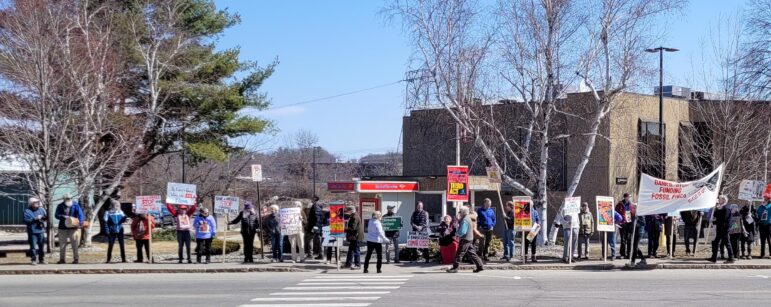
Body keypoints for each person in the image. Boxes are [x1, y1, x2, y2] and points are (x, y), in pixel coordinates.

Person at [447, 206, 484, 273]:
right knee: (472, 253)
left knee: (459, 253)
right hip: (469, 238)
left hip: (465, 238)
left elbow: (462, 231)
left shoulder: (464, 220)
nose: (459, 213)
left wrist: (456, 234)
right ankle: (480, 266)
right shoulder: (467, 218)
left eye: (460, 212)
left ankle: (455, 268)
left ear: (463, 212)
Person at [54, 193, 84, 264]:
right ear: (64, 199)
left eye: (69, 198)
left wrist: (80, 223)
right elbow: (56, 215)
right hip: (62, 227)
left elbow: (80, 214)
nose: (68, 200)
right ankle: (62, 259)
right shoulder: (60, 206)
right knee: (62, 244)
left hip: (73, 227)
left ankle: (76, 259)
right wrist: (62, 216)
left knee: (74, 244)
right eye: (67, 199)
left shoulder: (76, 205)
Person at [708, 195, 734, 263]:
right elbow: (715, 215)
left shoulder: (726, 209)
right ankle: (714, 258)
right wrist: (715, 208)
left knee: (727, 243)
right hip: (720, 229)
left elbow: (723, 219)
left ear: (723, 200)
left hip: (724, 229)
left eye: (719, 199)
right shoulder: (721, 208)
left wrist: (715, 220)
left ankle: (731, 258)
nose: (718, 200)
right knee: (716, 243)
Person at [23, 197, 47, 265]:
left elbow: (45, 217)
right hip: (32, 231)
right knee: (33, 246)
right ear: (31, 204)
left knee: (41, 246)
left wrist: (43, 218)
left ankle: (41, 259)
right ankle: (33, 260)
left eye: (37, 202)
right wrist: (35, 218)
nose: (37, 203)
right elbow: (26, 220)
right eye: (35, 202)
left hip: (41, 230)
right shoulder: (27, 211)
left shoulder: (41, 209)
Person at [344, 205, 364, 270]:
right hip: (354, 236)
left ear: (351, 210)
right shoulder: (353, 216)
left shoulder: (354, 217)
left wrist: (344, 229)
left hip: (356, 236)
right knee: (351, 250)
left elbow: (353, 228)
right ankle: (348, 264)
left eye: (348, 211)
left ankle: (357, 265)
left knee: (356, 250)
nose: (347, 212)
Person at [615, 193, 633, 259]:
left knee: (629, 239)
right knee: (623, 239)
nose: (630, 198)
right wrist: (618, 222)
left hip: (629, 223)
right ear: (625, 197)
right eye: (629, 197)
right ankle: (622, 254)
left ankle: (629, 253)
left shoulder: (631, 204)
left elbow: (633, 213)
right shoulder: (620, 204)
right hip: (622, 223)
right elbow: (616, 213)